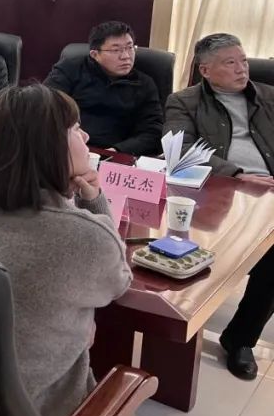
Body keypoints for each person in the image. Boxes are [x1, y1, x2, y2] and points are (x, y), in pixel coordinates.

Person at [0, 84, 131, 416]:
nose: (86, 136)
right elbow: (119, 279)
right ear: (48, 147)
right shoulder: (82, 237)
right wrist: (95, 201)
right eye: (75, 129)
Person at [164, 33, 274, 380]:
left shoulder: (269, 96)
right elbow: (179, 152)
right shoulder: (183, 101)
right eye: (231, 63)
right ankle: (179, 316)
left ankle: (240, 339)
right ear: (205, 70)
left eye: (243, 60)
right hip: (219, 194)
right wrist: (237, 175)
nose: (242, 69)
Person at [44, 21, 163, 155]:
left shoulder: (144, 84)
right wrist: (71, 137)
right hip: (68, 147)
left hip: (117, 155)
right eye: (116, 50)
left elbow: (152, 131)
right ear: (95, 54)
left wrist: (117, 151)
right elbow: (45, 105)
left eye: (130, 48)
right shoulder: (70, 69)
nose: (126, 56)